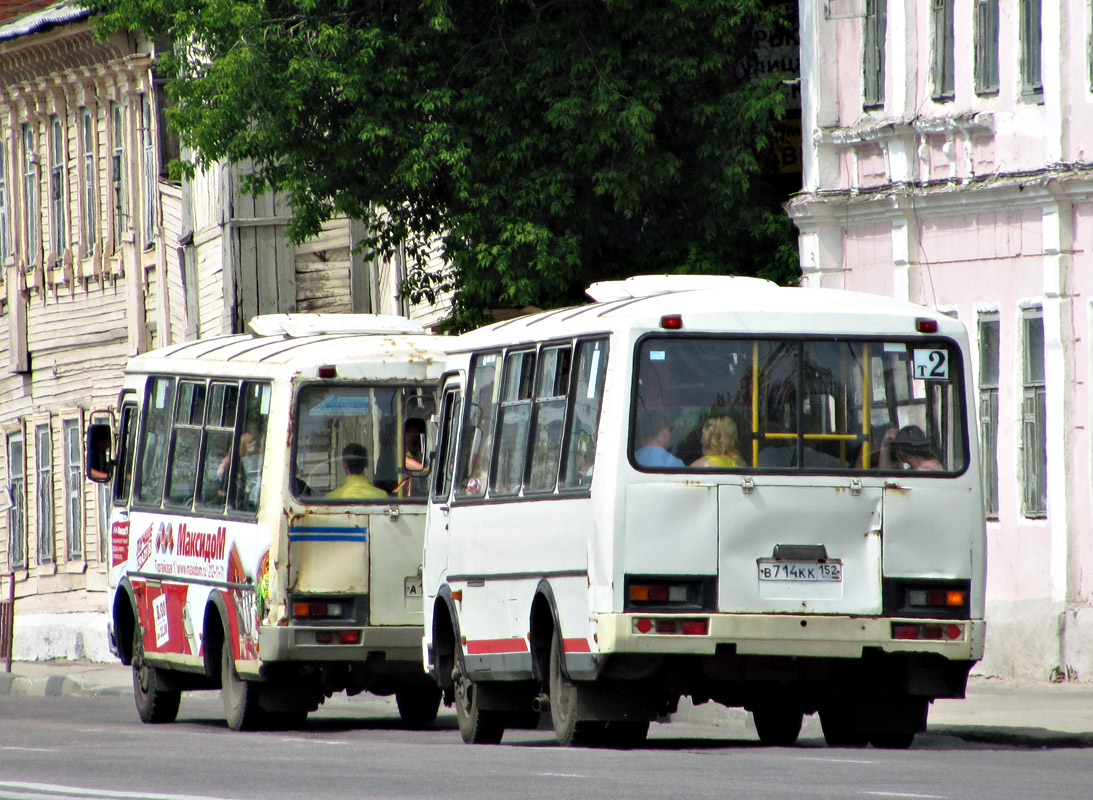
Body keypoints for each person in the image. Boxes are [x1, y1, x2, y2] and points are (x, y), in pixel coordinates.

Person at [879, 425, 944, 471]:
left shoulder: (927, 469)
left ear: (901, 452)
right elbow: (887, 477)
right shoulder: (915, 468)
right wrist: (884, 445)